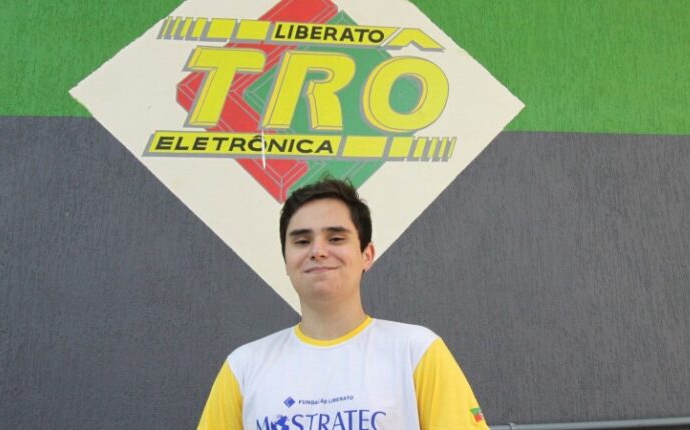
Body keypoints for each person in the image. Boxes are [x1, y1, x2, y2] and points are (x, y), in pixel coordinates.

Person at [197, 178, 488, 430]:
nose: (318, 251)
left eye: (336, 238)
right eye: (301, 241)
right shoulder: (244, 367)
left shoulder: (416, 351)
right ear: (286, 260)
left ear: (366, 255)